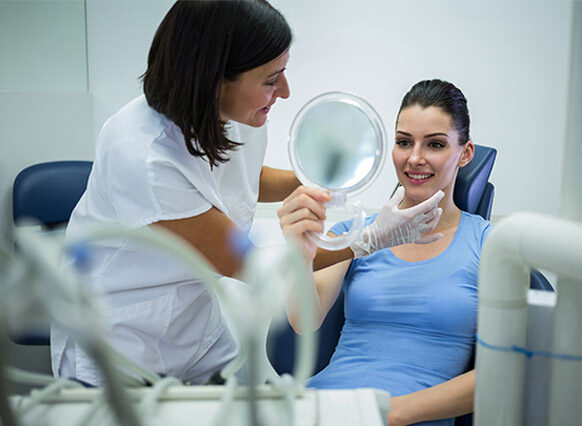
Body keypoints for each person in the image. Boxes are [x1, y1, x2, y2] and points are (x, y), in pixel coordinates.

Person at [51, 0, 441, 387]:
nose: (284, 92)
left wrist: (314, 176)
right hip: (121, 343)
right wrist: (372, 239)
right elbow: (251, 266)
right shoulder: (144, 158)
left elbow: (241, 178)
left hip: (195, 329)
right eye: (272, 79)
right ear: (213, 80)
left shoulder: (234, 113)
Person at [278, 79, 491, 425]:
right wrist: (300, 256)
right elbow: (304, 322)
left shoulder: (487, 244)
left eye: (435, 144)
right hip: (323, 408)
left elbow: (502, 371)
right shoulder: (355, 234)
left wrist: (391, 412)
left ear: (465, 153)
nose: (415, 158)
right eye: (404, 142)